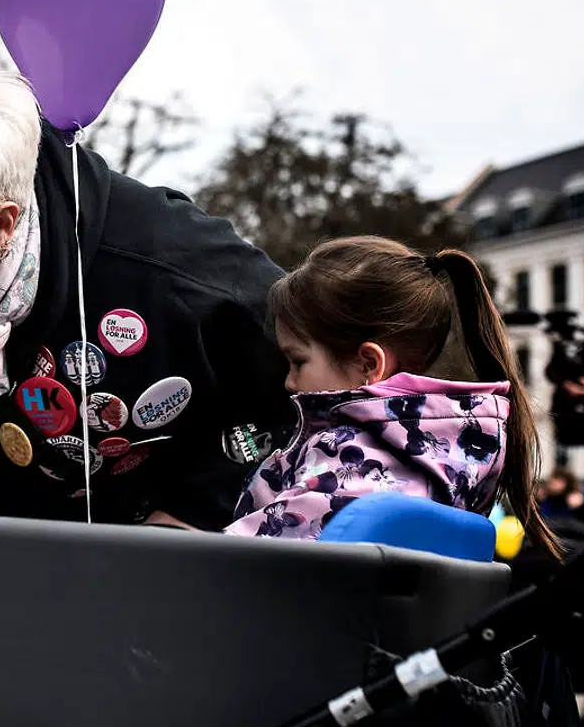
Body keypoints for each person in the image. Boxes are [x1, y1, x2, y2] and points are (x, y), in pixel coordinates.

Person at [0, 52, 290, 529]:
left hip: (126, 569)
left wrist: (197, 508)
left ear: (2, 224)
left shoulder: (179, 273)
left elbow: (309, 389)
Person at [224, 237, 556, 555]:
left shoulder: (348, 460)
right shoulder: (449, 461)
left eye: (298, 362)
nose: (289, 382)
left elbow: (243, 565)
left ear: (369, 363)